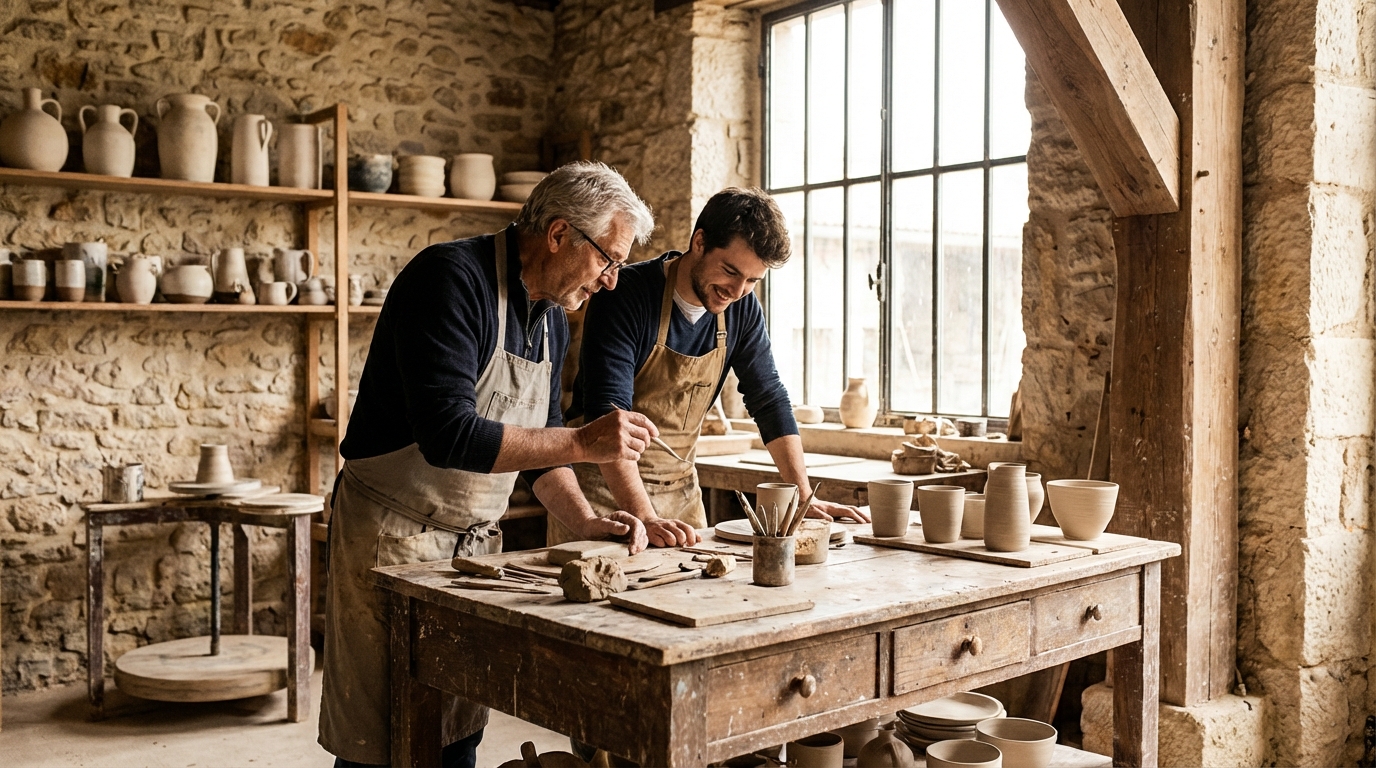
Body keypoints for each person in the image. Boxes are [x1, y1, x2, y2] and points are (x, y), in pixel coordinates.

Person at [318, 162, 658, 768]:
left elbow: (539, 446)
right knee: (387, 737)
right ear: (559, 235)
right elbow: (450, 435)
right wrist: (584, 444)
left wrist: (582, 519)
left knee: (455, 732)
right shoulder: (450, 280)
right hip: (391, 538)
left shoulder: (549, 313)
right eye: (608, 259)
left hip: (471, 547)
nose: (610, 281)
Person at [553, 187, 867, 550]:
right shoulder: (627, 295)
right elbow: (608, 415)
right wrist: (647, 517)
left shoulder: (742, 310)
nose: (736, 291)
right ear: (699, 242)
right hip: (606, 491)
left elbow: (769, 399)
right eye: (731, 271)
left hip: (681, 491)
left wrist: (803, 497)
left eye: (752, 281)